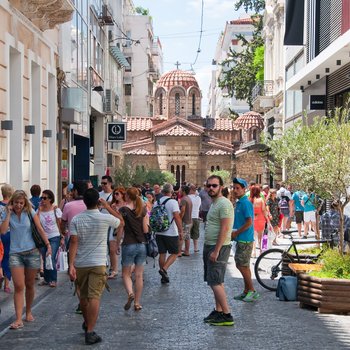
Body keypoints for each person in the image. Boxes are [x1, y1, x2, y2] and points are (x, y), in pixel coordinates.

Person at [69, 188, 123, 345]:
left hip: (81, 263)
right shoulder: (104, 218)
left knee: (84, 297)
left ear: (84, 202)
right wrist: (107, 207)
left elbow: (73, 242)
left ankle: (87, 324)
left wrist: (71, 264)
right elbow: (121, 221)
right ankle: (90, 331)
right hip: (99, 262)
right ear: (98, 201)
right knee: (94, 297)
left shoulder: (76, 220)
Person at [0, 190, 52, 330]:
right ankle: (18, 319)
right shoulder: (7, 213)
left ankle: (28, 311)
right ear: (12, 202)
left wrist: (47, 245)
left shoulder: (30, 212)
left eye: (21, 203)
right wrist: (9, 213)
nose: (18, 205)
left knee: (29, 285)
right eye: (16, 202)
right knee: (18, 286)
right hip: (15, 254)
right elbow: (3, 231)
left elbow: (40, 229)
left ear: (24, 204)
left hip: (32, 252)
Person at [202, 175, 234, 326]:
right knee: (215, 280)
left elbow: (225, 228)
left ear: (221, 187)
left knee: (215, 281)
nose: (211, 188)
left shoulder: (224, 204)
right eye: (209, 186)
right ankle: (218, 311)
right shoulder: (215, 203)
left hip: (218, 247)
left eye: (214, 185)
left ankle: (227, 315)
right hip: (211, 245)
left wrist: (216, 250)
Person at [117, 187, 149, 311]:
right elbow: (146, 229)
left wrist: (118, 241)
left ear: (127, 197)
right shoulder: (142, 210)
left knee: (126, 274)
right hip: (141, 245)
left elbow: (120, 228)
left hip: (128, 244)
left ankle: (130, 293)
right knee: (139, 275)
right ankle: (137, 303)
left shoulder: (123, 210)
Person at [231, 178, 260, 303]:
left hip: (245, 239)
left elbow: (249, 222)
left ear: (244, 189)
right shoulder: (239, 202)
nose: (235, 190)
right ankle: (246, 291)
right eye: (234, 187)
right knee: (243, 265)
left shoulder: (246, 203)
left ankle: (252, 291)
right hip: (240, 239)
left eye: (238, 188)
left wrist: (237, 232)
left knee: (241, 265)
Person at [154, 183, 183, 284]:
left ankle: (164, 276)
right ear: (171, 192)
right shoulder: (173, 202)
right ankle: (164, 269)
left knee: (162, 253)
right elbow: (177, 217)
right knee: (175, 253)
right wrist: (180, 230)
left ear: (162, 191)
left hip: (159, 232)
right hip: (170, 232)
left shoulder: (156, 202)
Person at [37, 190, 62, 287]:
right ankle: (46, 279)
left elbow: (60, 223)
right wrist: (39, 210)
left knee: (50, 257)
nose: (42, 200)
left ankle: (53, 279)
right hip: (43, 237)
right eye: (41, 198)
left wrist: (62, 236)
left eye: (45, 198)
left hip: (54, 236)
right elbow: (37, 223)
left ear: (50, 199)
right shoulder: (39, 210)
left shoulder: (55, 210)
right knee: (44, 257)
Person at [99, 176, 118, 279]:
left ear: (110, 183)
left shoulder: (115, 195)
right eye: (101, 183)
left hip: (112, 223)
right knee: (102, 248)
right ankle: (103, 268)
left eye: (105, 183)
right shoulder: (99, 195)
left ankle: (114, 269)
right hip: (101, 223)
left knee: (112, 249)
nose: (103, 185)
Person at [0, 184, 14, 293]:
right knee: (8, 257)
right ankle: (7, 284)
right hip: (9, 234)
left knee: (0, 255)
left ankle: (0, 273)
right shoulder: (12, 206)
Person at [249, 185, 268, 257]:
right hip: (260, 219)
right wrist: (267, 218)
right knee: (260, 236)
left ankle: (253, 251)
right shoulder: (261, 200)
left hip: (252, 219)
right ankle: (260, 250)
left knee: (253, 236)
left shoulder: (249, 200)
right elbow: (263, 210)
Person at [178, 185, 193, 257]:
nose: (179, 191)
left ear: (183, 191)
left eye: (180, 190)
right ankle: (186, 251)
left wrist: (179, 218)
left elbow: (183, 210)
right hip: (189, 220)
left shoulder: (183, 199)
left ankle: (179, 252)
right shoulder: (188, 198)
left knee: (181, 236)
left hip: (184, 221)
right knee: (187, 237)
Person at [189, 184, 202, 253]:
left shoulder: (187, 197)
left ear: (190, 190)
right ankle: (195, 248)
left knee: (186, 233)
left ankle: (185, 248)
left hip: (189, 217)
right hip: (196, 217)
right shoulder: (198, 198)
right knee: (196, 233)